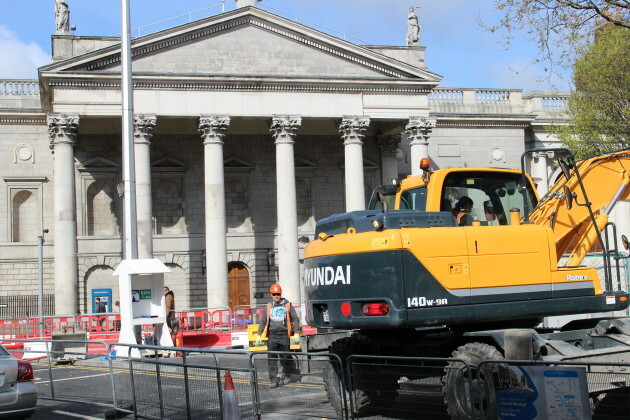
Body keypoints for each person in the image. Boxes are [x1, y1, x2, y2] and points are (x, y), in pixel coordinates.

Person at [256, 284, 300, 388]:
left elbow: (295, 319)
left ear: (281, 294)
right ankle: (273, 380)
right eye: (274, 294)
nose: (276, 296)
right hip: (272, 336)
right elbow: (263, 321)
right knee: (272, 359)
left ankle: (286, 376)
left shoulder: (287, 305)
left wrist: (296, 332)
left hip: (284, 335)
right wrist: (259, 334)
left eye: (278, 294)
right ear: (271, 295)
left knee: (285, 358)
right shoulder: (269, 306)